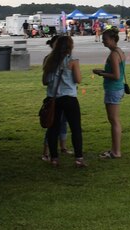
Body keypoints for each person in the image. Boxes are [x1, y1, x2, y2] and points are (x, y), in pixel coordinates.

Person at [42, 36, 85, 167]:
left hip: (53, 98)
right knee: (75, 128)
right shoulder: (72, 61)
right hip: (69, 97)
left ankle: (54, 158)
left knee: (53, 129)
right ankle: (78, 158)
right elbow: (78, 79)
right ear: (70, 47)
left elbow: (44, 81)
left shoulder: (48, 60)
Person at [93, 28, 126, 159]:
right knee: (114, 120)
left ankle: (116, 151)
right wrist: (103, 71)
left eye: (105, 40)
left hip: (113, 89)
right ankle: (114, 149)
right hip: (117, 88)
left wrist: (101, 73)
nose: (103, 42)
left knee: (114, 121)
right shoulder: (119, 51)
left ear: (112, 39)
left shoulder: (113, 54)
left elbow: (116, 75)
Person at [41, 37, 70, 161]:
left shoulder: (67, 59)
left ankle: (63, 147)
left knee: (63, 122)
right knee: (52, 124)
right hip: (55, 96)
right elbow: (45, 81)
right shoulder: (49, 60)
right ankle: (46, 151)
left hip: (62, 95)